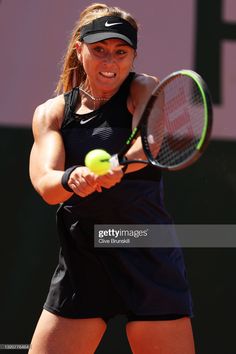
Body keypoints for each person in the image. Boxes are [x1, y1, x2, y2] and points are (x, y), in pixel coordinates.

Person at [29, 3, 195, 353]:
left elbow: (147, 144)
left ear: (133, 56)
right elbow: (45, 182)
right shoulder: (51, 113)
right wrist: (72, 178)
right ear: (80, 49)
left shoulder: (143, 88)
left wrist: (118, 165)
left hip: (146, 254)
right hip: (84, 260)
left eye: (121, 52)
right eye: (99, 49)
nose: (110, 61)